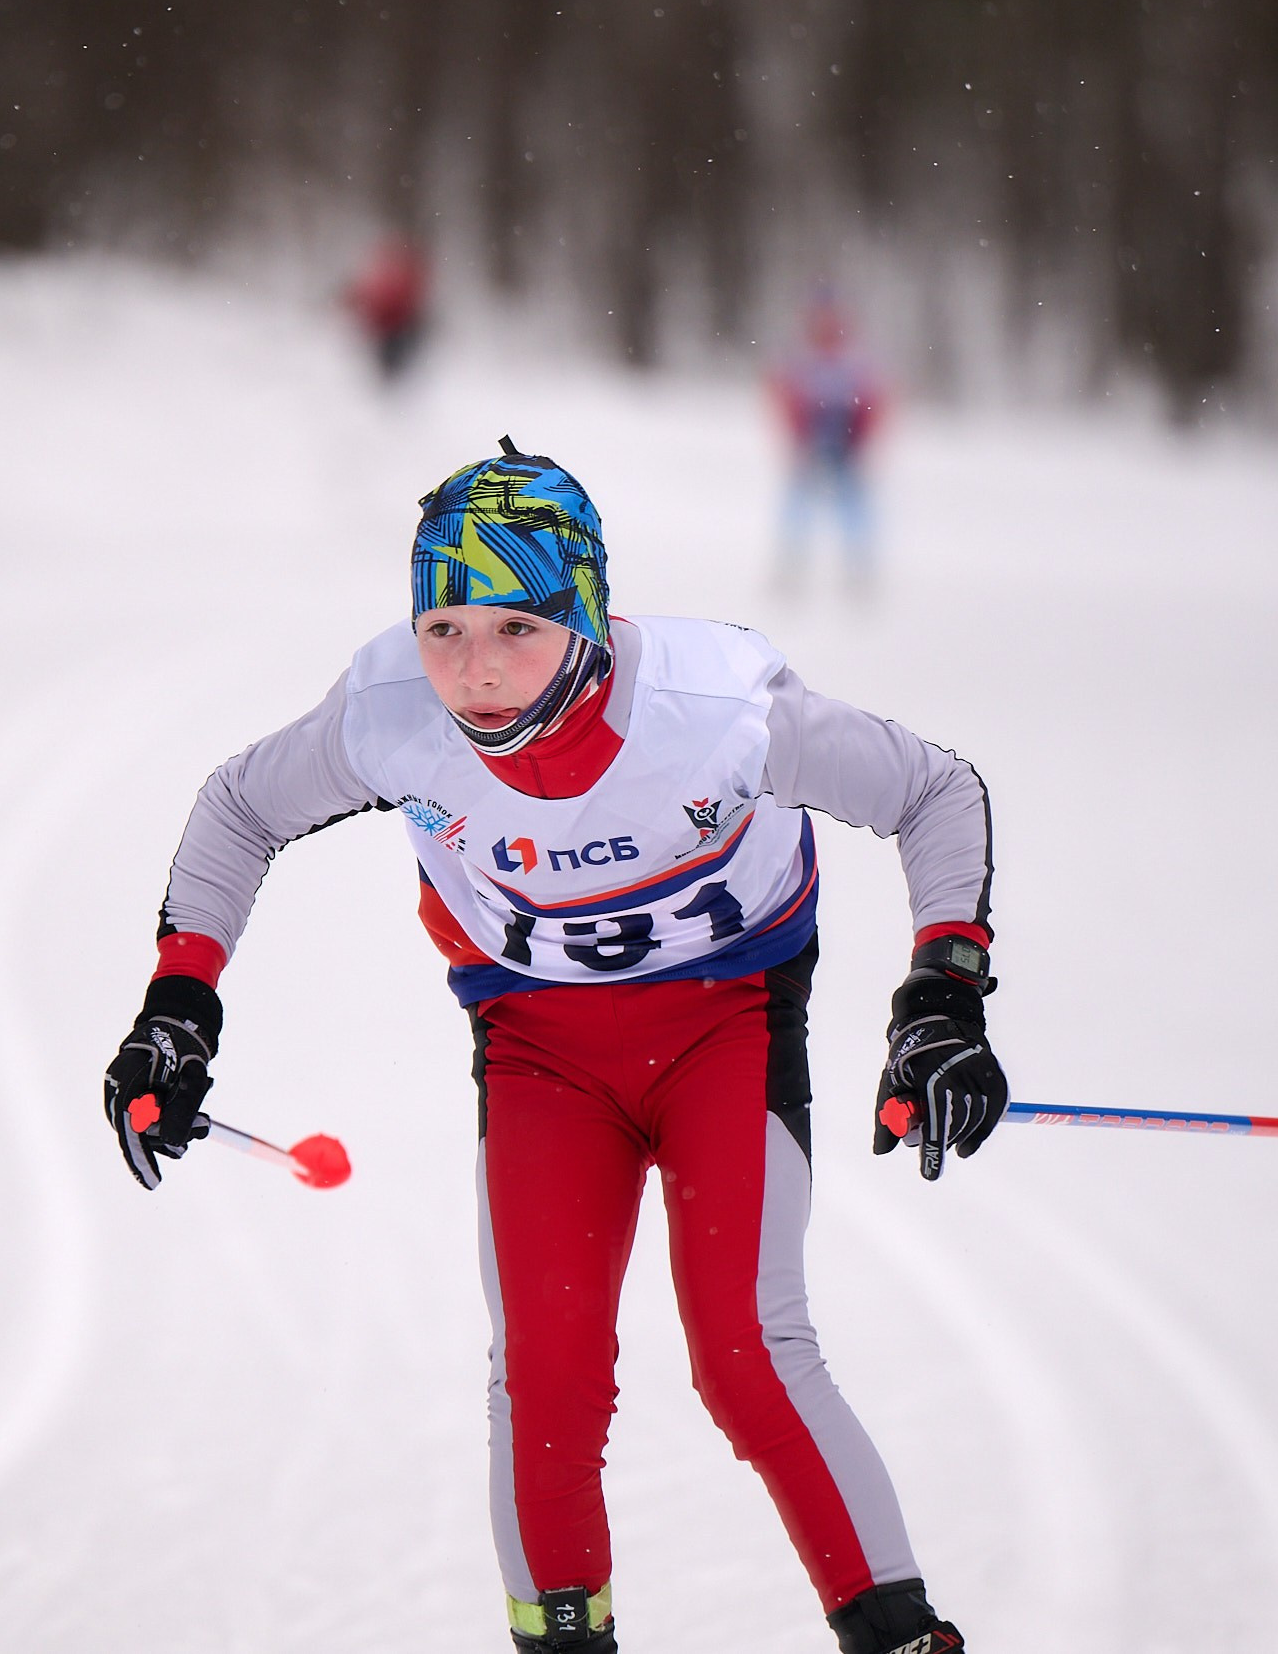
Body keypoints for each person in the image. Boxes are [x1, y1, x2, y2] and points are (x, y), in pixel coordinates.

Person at [102, 441, 1004, 1654]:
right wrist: (179, 1005)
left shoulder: (715, 705)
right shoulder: (386, 715)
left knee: (747, 1353)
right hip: (540, 1050)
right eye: (442, 628)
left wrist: (942, 996)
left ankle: (899, 1635)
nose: (471, 672)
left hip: (723, 1024)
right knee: (545, 1377)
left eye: (515, 629)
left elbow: (934, 792)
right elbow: (240, 808)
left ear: (582, 614)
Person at [767, 291, 888, 590]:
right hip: (812, 445)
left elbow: (874, 404)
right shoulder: (802, 361)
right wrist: (799, 438)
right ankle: (791, 565)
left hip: (846, 446)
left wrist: (859, 441)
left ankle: (858, 568)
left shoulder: (854, 363)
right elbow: (785, 399)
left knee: (853, 510)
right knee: (798, 508)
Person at [344, 234, 430, 382]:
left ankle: (394, 381)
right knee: (392, 361)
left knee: (395, 361)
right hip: (392, 329)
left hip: (397, 328)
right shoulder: (392, 277)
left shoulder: (395, 277)